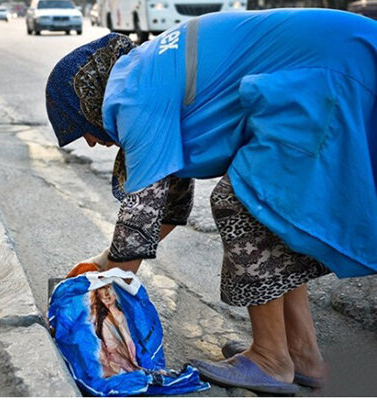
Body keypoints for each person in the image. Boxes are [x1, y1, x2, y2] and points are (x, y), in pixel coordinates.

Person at [45, 9, 377, 395]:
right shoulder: (145, 73)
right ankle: (302, 354)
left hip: (337, 67)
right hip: (346, 53)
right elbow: (166, 210)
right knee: (275, 214)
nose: (89, 141)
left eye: (78, 126)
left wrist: (93, 298)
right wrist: (99, 264)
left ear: (85, 98)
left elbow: (138, 229)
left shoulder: (132, 94)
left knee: (248, 203)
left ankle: (271, 358)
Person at [90, 285, 141, 377]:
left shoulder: (127, 313)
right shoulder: (104, 321)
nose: (106, 294)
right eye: (102, 289)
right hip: (117, 360)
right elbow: (110, 346)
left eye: (109, 288)